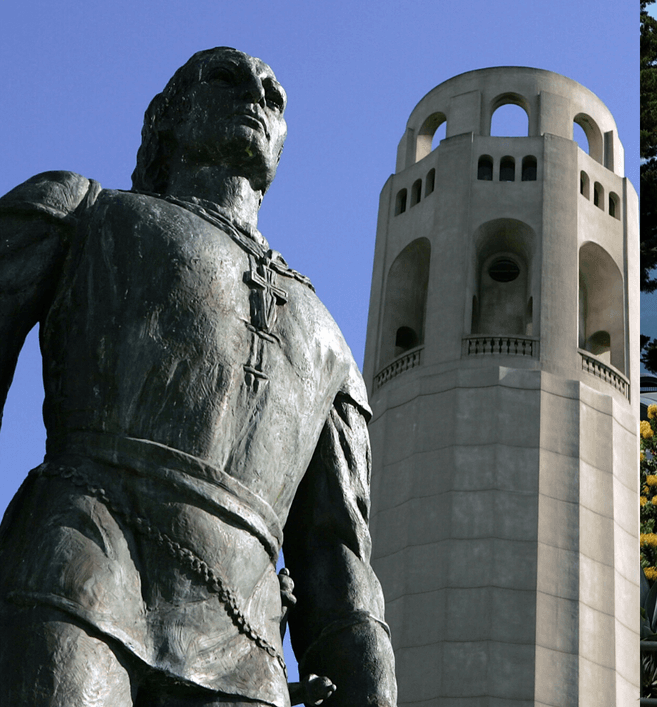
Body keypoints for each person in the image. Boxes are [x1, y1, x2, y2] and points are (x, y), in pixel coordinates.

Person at [0, 48, 395, 707]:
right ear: (168, 116)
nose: (257, 98)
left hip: (247, 650)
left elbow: (336, 553)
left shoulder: (329, 343)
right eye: (226, 78)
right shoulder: (84, 213)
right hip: (75, 570)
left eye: (273, 96)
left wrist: (368, 682)